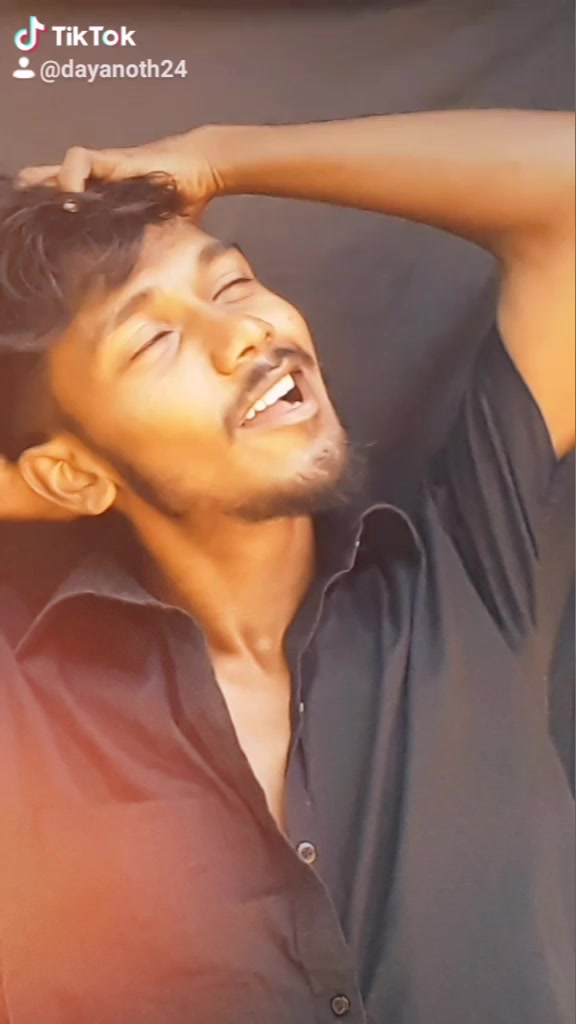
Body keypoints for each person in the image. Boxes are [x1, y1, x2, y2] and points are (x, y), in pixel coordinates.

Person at [0, 111, 574, 1024]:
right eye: (153, 342)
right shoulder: (30, 707)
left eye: (232, 283)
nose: (243, 334)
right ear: (68, 475)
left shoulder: (465, 569)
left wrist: (219, 157)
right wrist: (53, 484)